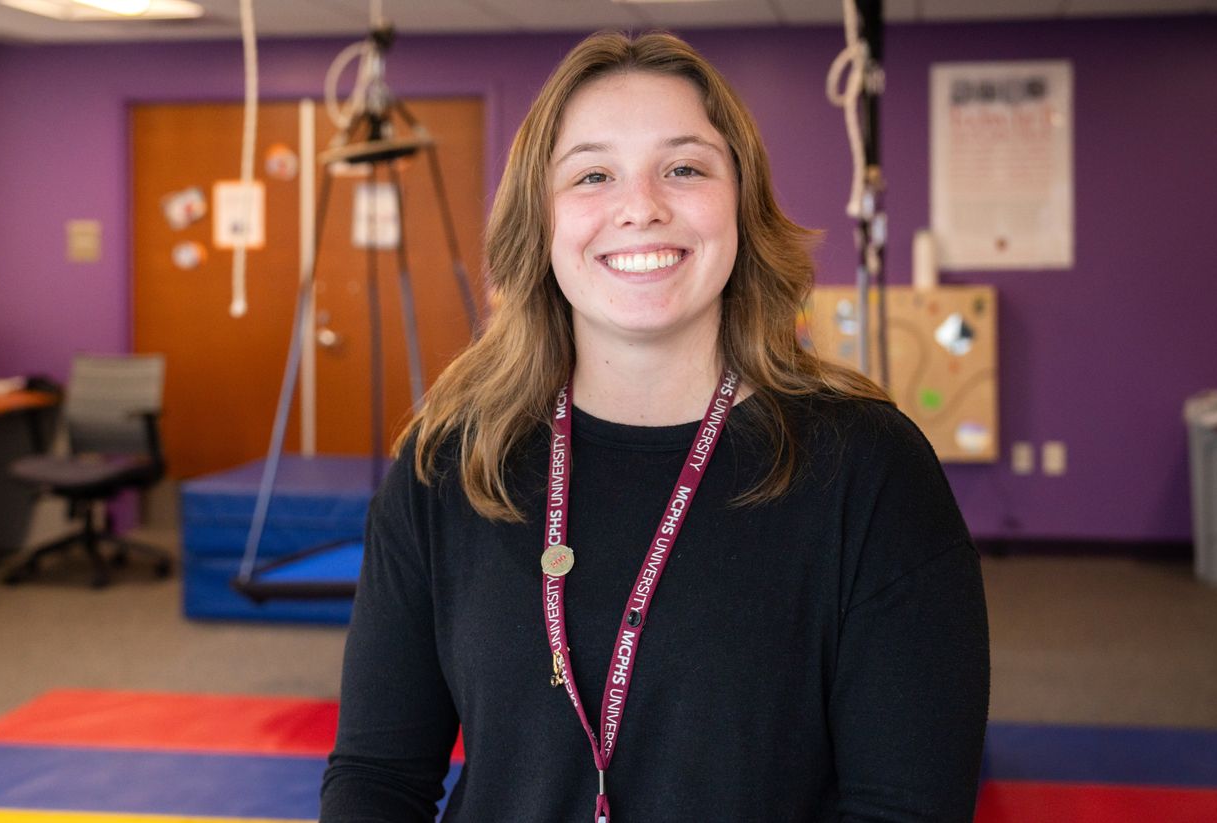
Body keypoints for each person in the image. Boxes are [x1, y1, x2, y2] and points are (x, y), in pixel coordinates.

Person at [320, 32, 989, 822]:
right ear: (541, 220)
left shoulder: (867, 467)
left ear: (740, 203)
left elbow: (905, 806)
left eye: (684, 167)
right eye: (593, 174)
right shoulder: (453, 465)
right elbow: (377, 774)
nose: (640, 205)